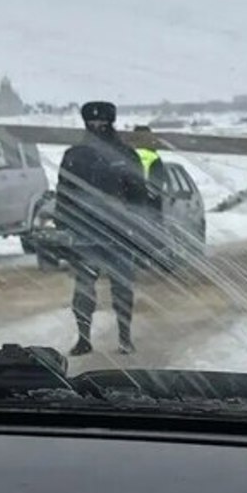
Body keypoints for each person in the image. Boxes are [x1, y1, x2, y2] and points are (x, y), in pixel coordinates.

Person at [55, 101, 154, 356]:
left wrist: (138, 228)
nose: (98, 126)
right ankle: (83, 338)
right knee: (84, 289)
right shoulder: (75, 156)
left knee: (121, 288)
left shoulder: (125, 155)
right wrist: (63, 225)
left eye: (103, 122)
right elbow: (64, 193)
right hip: (85, 233)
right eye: (93, 123)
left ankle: (124, 338)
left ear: (112, 123)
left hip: (118, 233)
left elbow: (139, 197)